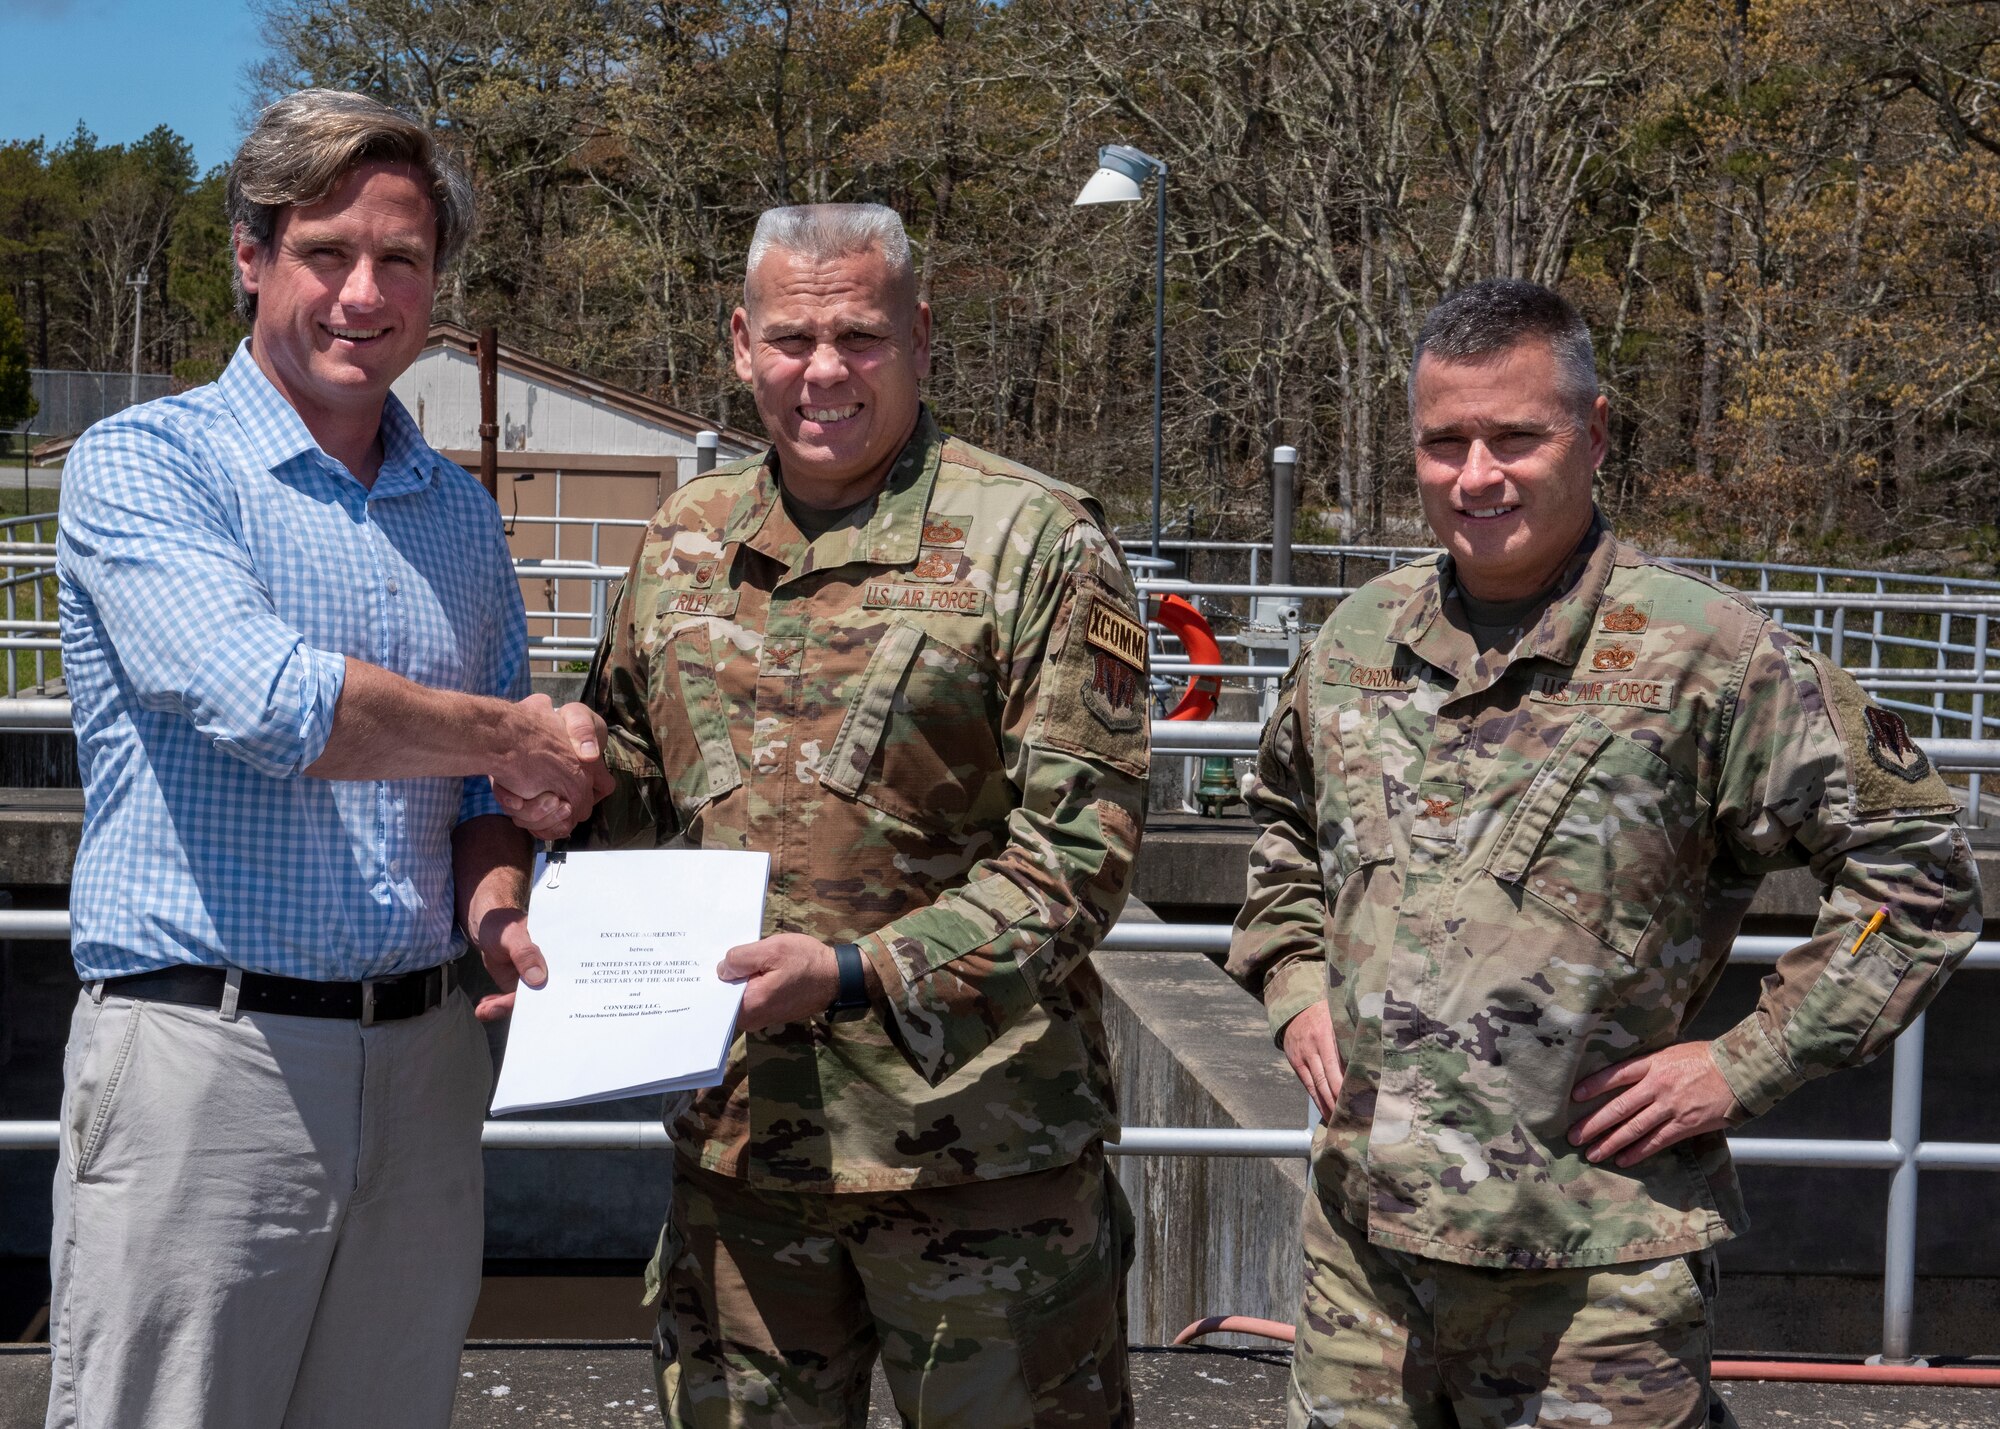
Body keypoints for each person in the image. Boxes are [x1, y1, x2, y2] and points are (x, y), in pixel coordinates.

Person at [1228, 279, 1982, 1429]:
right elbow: (1282, 824)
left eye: (1513, 436)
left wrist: (1743, 1062)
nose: (1475, 475)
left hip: (1590, 1279)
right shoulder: (1353, 642)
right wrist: (1291, 982)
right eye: (1443, 443)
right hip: (1362, 1265)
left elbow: (1918, 873)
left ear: (1594, 433)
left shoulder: (1708, 659)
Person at [48, 89, 610, 1429]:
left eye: (401, 260)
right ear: (251, 257)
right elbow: (266, 701)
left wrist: (501, 910)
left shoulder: (460, 516)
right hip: (207, 1061)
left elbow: (481, 800)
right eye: (327, 252)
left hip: (422, 1070)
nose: (365, 292)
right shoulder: (146, 466)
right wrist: (521, 730)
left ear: (436, 283)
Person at [567, 202, 1149, 1427]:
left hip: (980, 1162)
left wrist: (852, 973)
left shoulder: (1034, 541)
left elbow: (1077, 854)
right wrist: (545, 796)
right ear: (739, 343)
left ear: (920, 338)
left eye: (859, 336)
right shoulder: (681, 542)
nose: (822, 371)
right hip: (741, 1162)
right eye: (790, 337)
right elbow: (625, 786)